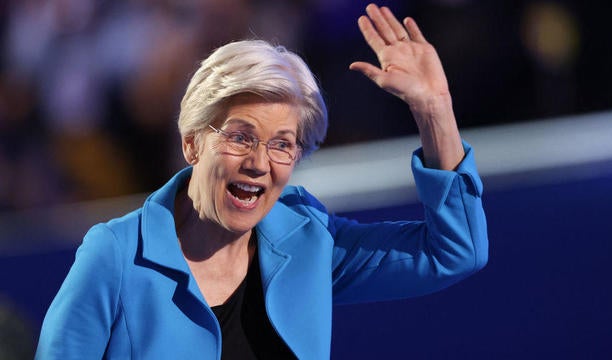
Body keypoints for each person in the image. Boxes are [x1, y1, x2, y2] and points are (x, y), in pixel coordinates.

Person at [35, 3, 488, 359]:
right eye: (240, 137)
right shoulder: (114, 254)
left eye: (282, 144)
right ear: (192, 144)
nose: (259, 163)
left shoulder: (307, 237)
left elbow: (454, 252)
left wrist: (434, 110)